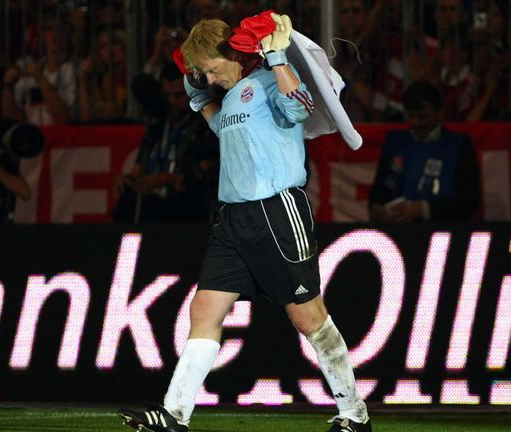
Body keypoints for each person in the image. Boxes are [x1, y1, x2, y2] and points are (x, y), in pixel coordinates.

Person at [118, 13, 372, 432]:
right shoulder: (234, 95)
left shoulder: (271, 79)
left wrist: (277, 58)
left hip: (277, 209)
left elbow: (300, 108)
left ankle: (354, 414)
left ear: (232, 54)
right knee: (204, 310)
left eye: (210, 70)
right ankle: (174, 414)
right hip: (233, 218)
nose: (209, 79)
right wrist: (201, 103)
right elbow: (224, 128)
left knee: (308, 317)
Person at [113, 62, 219, 223]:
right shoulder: (157, 127)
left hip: (185, 209)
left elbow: (203, 176)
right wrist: (125, 180)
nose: (172, 101)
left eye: (178, 95)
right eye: (167, 95)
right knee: (127, 201)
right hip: (151, 207)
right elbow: (137, 170)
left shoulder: (204, 127)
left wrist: (165, 179)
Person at [368, 80, 480, 222]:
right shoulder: (394, 143)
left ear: (439, 112)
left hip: (445, 229)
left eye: (423, 116)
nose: (416, 123)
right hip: (399, 229)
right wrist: (376, 207)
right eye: (411, 116)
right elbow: (380, 188)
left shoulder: (459, 145)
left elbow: (469, 199)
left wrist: (425, 209)